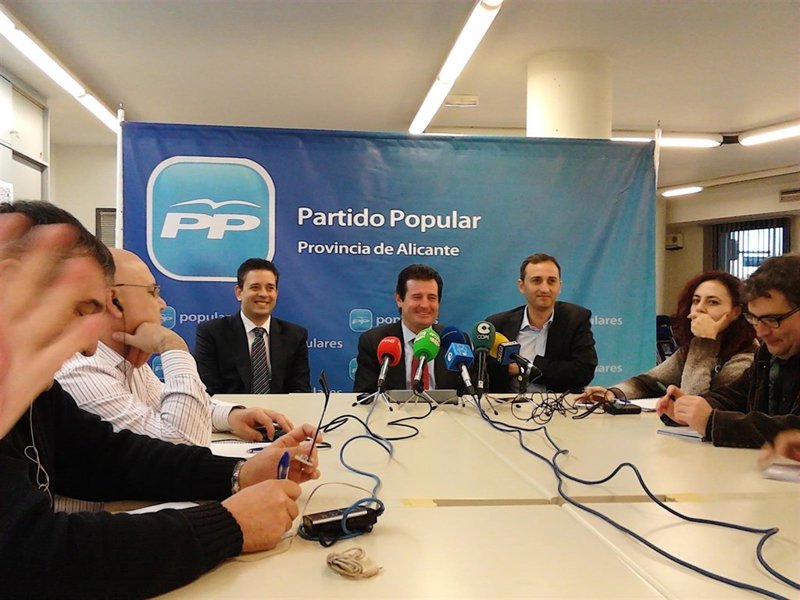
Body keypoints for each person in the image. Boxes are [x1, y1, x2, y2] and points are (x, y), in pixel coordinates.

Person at [0, 201, 321, 598]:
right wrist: (230, 525)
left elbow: (109, 456)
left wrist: (238, 473)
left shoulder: (37, 392)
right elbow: (36, 556)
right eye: (81, 312)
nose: (88, 347)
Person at [56, 249, 292, 446]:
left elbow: (173, 405)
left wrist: (233, 416)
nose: (162, 304)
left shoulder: (127, 362)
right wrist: (173, 346)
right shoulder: (81, 372)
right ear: (114, 301)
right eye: (153, 292)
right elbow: (182, 444)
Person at [657, 254, 800, 448]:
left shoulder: (754, 353)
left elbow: (794, 429)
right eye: (754, 319)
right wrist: (690, 408)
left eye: (772, 319)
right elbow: (734, 397)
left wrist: (712, 422)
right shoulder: (768, 355)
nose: (761, 332)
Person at [577, 271, 757, 403]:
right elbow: (648, 382)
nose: (699, 308)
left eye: (713, 302)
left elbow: (695, 407)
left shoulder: (747, 358)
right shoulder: (691, 350)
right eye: (696, 301)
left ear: (735, 312)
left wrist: (704, 343)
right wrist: (613, 393)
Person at [195, 258, 311, 395]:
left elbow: (300, 390)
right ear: (239, 292)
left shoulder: (295, 335)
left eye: (270, 288)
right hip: (229, 409)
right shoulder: (211, 333)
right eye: (255, 287)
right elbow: (208, 391)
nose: (263, 294)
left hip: (281, 409)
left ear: (276, 293)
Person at [486, 253, 597, 393]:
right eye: (536, 280)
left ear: (560, 286)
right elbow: (484, 371)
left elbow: (583, 372)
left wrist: (523, 368)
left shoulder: (576, 319)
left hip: (559, 405)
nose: (545, 289)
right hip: (506, 405)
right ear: (522, 286)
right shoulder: (497, 324)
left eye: (551, 281)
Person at [353, 263, 462, 393]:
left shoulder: (454, 342)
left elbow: (471, 397)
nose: (425, 305)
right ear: (399, 299)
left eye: (432, 298)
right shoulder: (374, 342)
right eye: (417, 297)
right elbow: (365, 396)